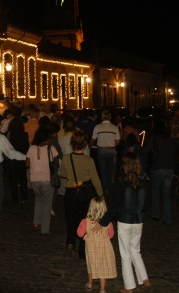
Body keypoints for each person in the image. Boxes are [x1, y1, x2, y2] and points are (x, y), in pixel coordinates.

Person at [96, 152, 152, 293]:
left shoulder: (120, 184)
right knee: (136, 251)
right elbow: (146, 205)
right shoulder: (143, 184)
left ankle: (129, 287)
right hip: (138, 221)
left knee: (125, 255)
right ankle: (144, 279)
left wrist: (102, 222)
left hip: (124, 222)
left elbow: (114, 206)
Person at [61, 130, 103, 260]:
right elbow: (95, 179)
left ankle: (70, 243)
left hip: (71, 192)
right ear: (85, 145)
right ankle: (82, 252)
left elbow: (62, 174)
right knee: (85, 221)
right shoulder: (89, 160)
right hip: (85, 193)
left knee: (71, 220)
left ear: (72, 144)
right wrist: (101, 195)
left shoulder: (67, 158)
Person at [78, 197, 117, 293]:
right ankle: (102, 289)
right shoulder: (108, 223)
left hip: (91, 247)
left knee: (91, 265)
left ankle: (90, 284)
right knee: (103, 267)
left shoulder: (85, 221)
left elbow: (79, 234)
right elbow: (111, 235)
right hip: (104, 247)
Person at [143, 122, 178, 224]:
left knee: (155, 192)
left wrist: (135, 150)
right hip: (169, 168)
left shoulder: (154, 139)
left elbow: (145, 151)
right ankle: (167, 218)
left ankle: (156, 214)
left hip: (157, 168)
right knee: (167, 194)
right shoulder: (171, 140)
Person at [26, 128, 59, 234]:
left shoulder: (31, 148)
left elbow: (27, 164)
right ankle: (45, 229)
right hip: (47, 178)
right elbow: (56, 162)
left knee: (38, 199)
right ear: (46, 139)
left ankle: (36, 222)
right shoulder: (51, 148)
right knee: (47, 203)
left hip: (34, 179)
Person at [91, 110, 120, 195]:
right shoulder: (114, 127)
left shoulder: (98, 127)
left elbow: (93, 139)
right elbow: (118, 140)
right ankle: (109, 186)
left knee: (102, 169)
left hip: (101, 149)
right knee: (110, 169)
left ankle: (105, 188)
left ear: (102, 117)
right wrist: (114, 146)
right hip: (111, 149)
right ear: (110, 118)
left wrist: (90, 146)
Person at [7, 117, 30, 204]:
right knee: (23, 178)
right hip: (22, 158)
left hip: (12, 159)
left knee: (13, 180)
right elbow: (26, 147)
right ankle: (24, 197)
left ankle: (15, 198)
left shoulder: (9, 134)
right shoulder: (25, 134)